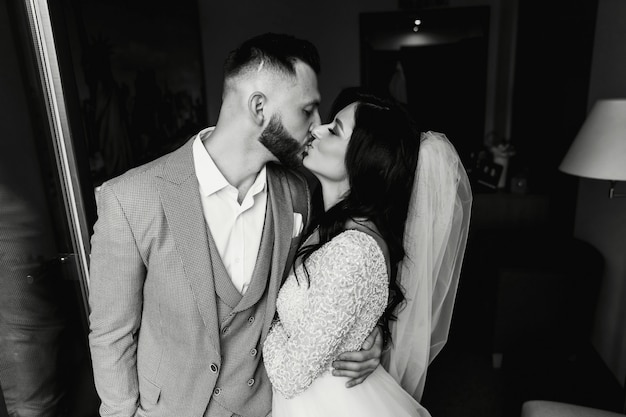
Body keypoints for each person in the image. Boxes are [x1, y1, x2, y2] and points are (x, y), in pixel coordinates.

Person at [88, 33, 382, 417]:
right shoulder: (129, 198)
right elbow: (111, 335)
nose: (316, 125)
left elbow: (318, 293)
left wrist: (366, 337)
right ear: (259, 107)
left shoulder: (298, 195)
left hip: (264, 408)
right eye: (307, 110)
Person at [263, 94, 472, 416]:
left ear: (366, 159)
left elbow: (290, 376)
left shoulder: (353, 251)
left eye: (334, 130)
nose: (318, 129)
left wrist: (271, 326)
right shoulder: (332, 224)